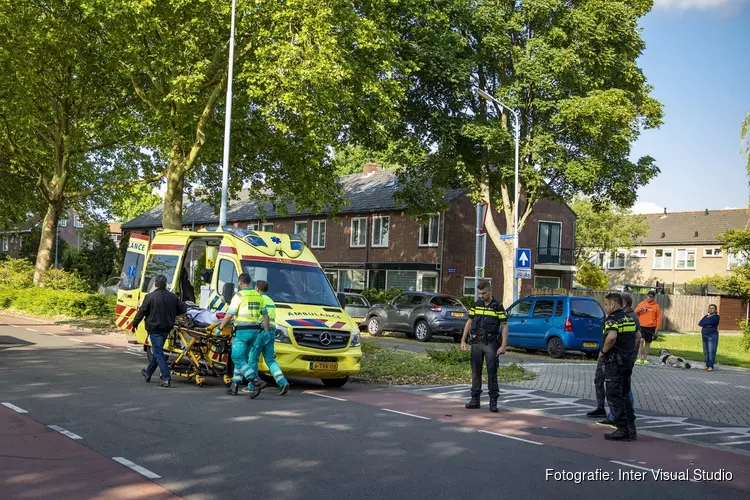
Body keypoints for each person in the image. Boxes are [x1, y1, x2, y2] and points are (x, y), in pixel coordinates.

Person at [132, 274, 188, 388]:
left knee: (158, 352)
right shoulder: (172, 297)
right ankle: (148, 372)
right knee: (158, 352)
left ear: (156, 283)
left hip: (154, 328)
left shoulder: (150, 296)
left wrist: (134, 324)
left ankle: (166, 378)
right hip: (166, 328)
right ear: (166, 284)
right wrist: (172, 312)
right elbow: (183, 308)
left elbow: (142, 311)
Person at [460, 280, 508, 413]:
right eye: (479, 293)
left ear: (490, 291)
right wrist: (463, 341)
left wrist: (503, 346)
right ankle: (475, 400)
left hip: (491, 343)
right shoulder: (477, 305)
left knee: (492, 372)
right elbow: (469, 322)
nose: (481, 296)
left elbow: (504, 326)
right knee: (476, 372)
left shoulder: (498, 306)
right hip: (476, 342)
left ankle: (493, 401)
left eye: (483, 293)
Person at [218, 273, 268, 398]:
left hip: (241, 332)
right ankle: (234, 386)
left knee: (237, 358)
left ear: (240, 283)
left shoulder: (239, 296)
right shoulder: (259, 296)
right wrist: (266, 331)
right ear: (250, 282)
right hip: (254, 333)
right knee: (243, 359)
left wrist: (220, 327)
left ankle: (256, 381)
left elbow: (229, 315)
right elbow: (265, 315)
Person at [600, 292, 638, 441]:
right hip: (627, 362)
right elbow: (638, 338)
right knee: (625, 394)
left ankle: (622, 428)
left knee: (613, 395)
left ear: (613, 305)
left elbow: (611, 337)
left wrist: (603, 352)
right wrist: (628, 352)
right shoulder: (629, 318)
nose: (605, 307)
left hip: (614, 363)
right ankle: (631, 428)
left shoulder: (612, 320)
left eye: (606, 304)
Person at [243, 280, 290, 396]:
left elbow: (255, 317)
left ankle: (252, 385)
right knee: (270, 360)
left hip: (260, 331)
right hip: (271, 332)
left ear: (258, 288)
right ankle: (282, 382)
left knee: (253, 359)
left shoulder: (258, 299)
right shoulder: (271, 301)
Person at [635, 290, 661, 364]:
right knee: (641, 341)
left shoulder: (656, 306)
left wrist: (657, 328)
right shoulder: (642, 303)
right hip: (641, 325)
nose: (649, 298)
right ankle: (639, 358)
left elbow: (658, 318)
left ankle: (645, 358)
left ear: (654, 298)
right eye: (648, 296)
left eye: (651, 297)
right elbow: (635, 311)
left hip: (651, 327)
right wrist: (641, 309)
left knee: (647, 343)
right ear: (647, 296)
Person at [699, 304, 720, 372]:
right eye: (710, 308)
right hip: (704, 335)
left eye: (713, 308)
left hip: (712, 335)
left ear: (715, 310)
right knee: (706, 351)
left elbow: (710, 321)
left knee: (711, 351)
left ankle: (711, 366)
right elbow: (700, 323)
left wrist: (706, 323)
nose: (711, 309)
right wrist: (707, 324)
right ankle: (707, 365)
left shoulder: (716, 317)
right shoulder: (706, 316)